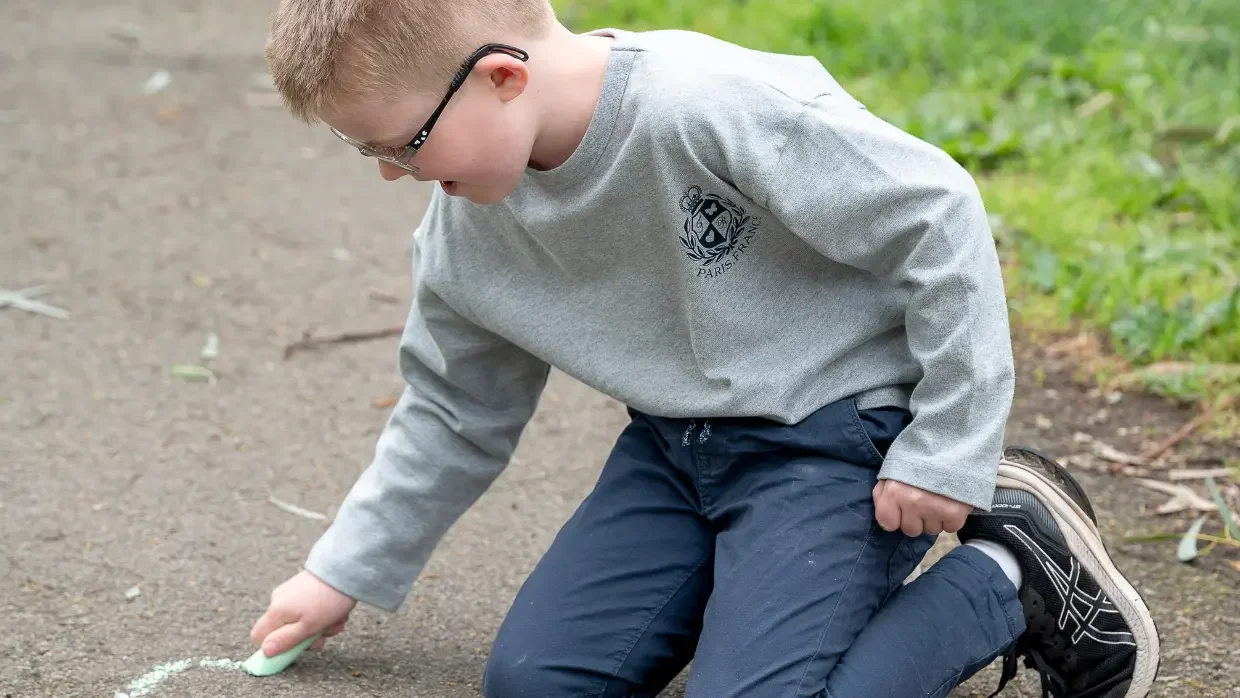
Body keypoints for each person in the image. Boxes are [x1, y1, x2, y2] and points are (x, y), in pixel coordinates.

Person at [248, 1, 1160, 695]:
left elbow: (935, 212)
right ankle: (752, 595)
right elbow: (454, 410)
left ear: (502, 77)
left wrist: (951, 442)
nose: (391, 171)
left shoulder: (705, 108)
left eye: (402, 143)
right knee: (533, 683)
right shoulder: (463, 232)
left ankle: (1012, 572)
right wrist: (344, 570)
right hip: (675, 453)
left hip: (837, 438)